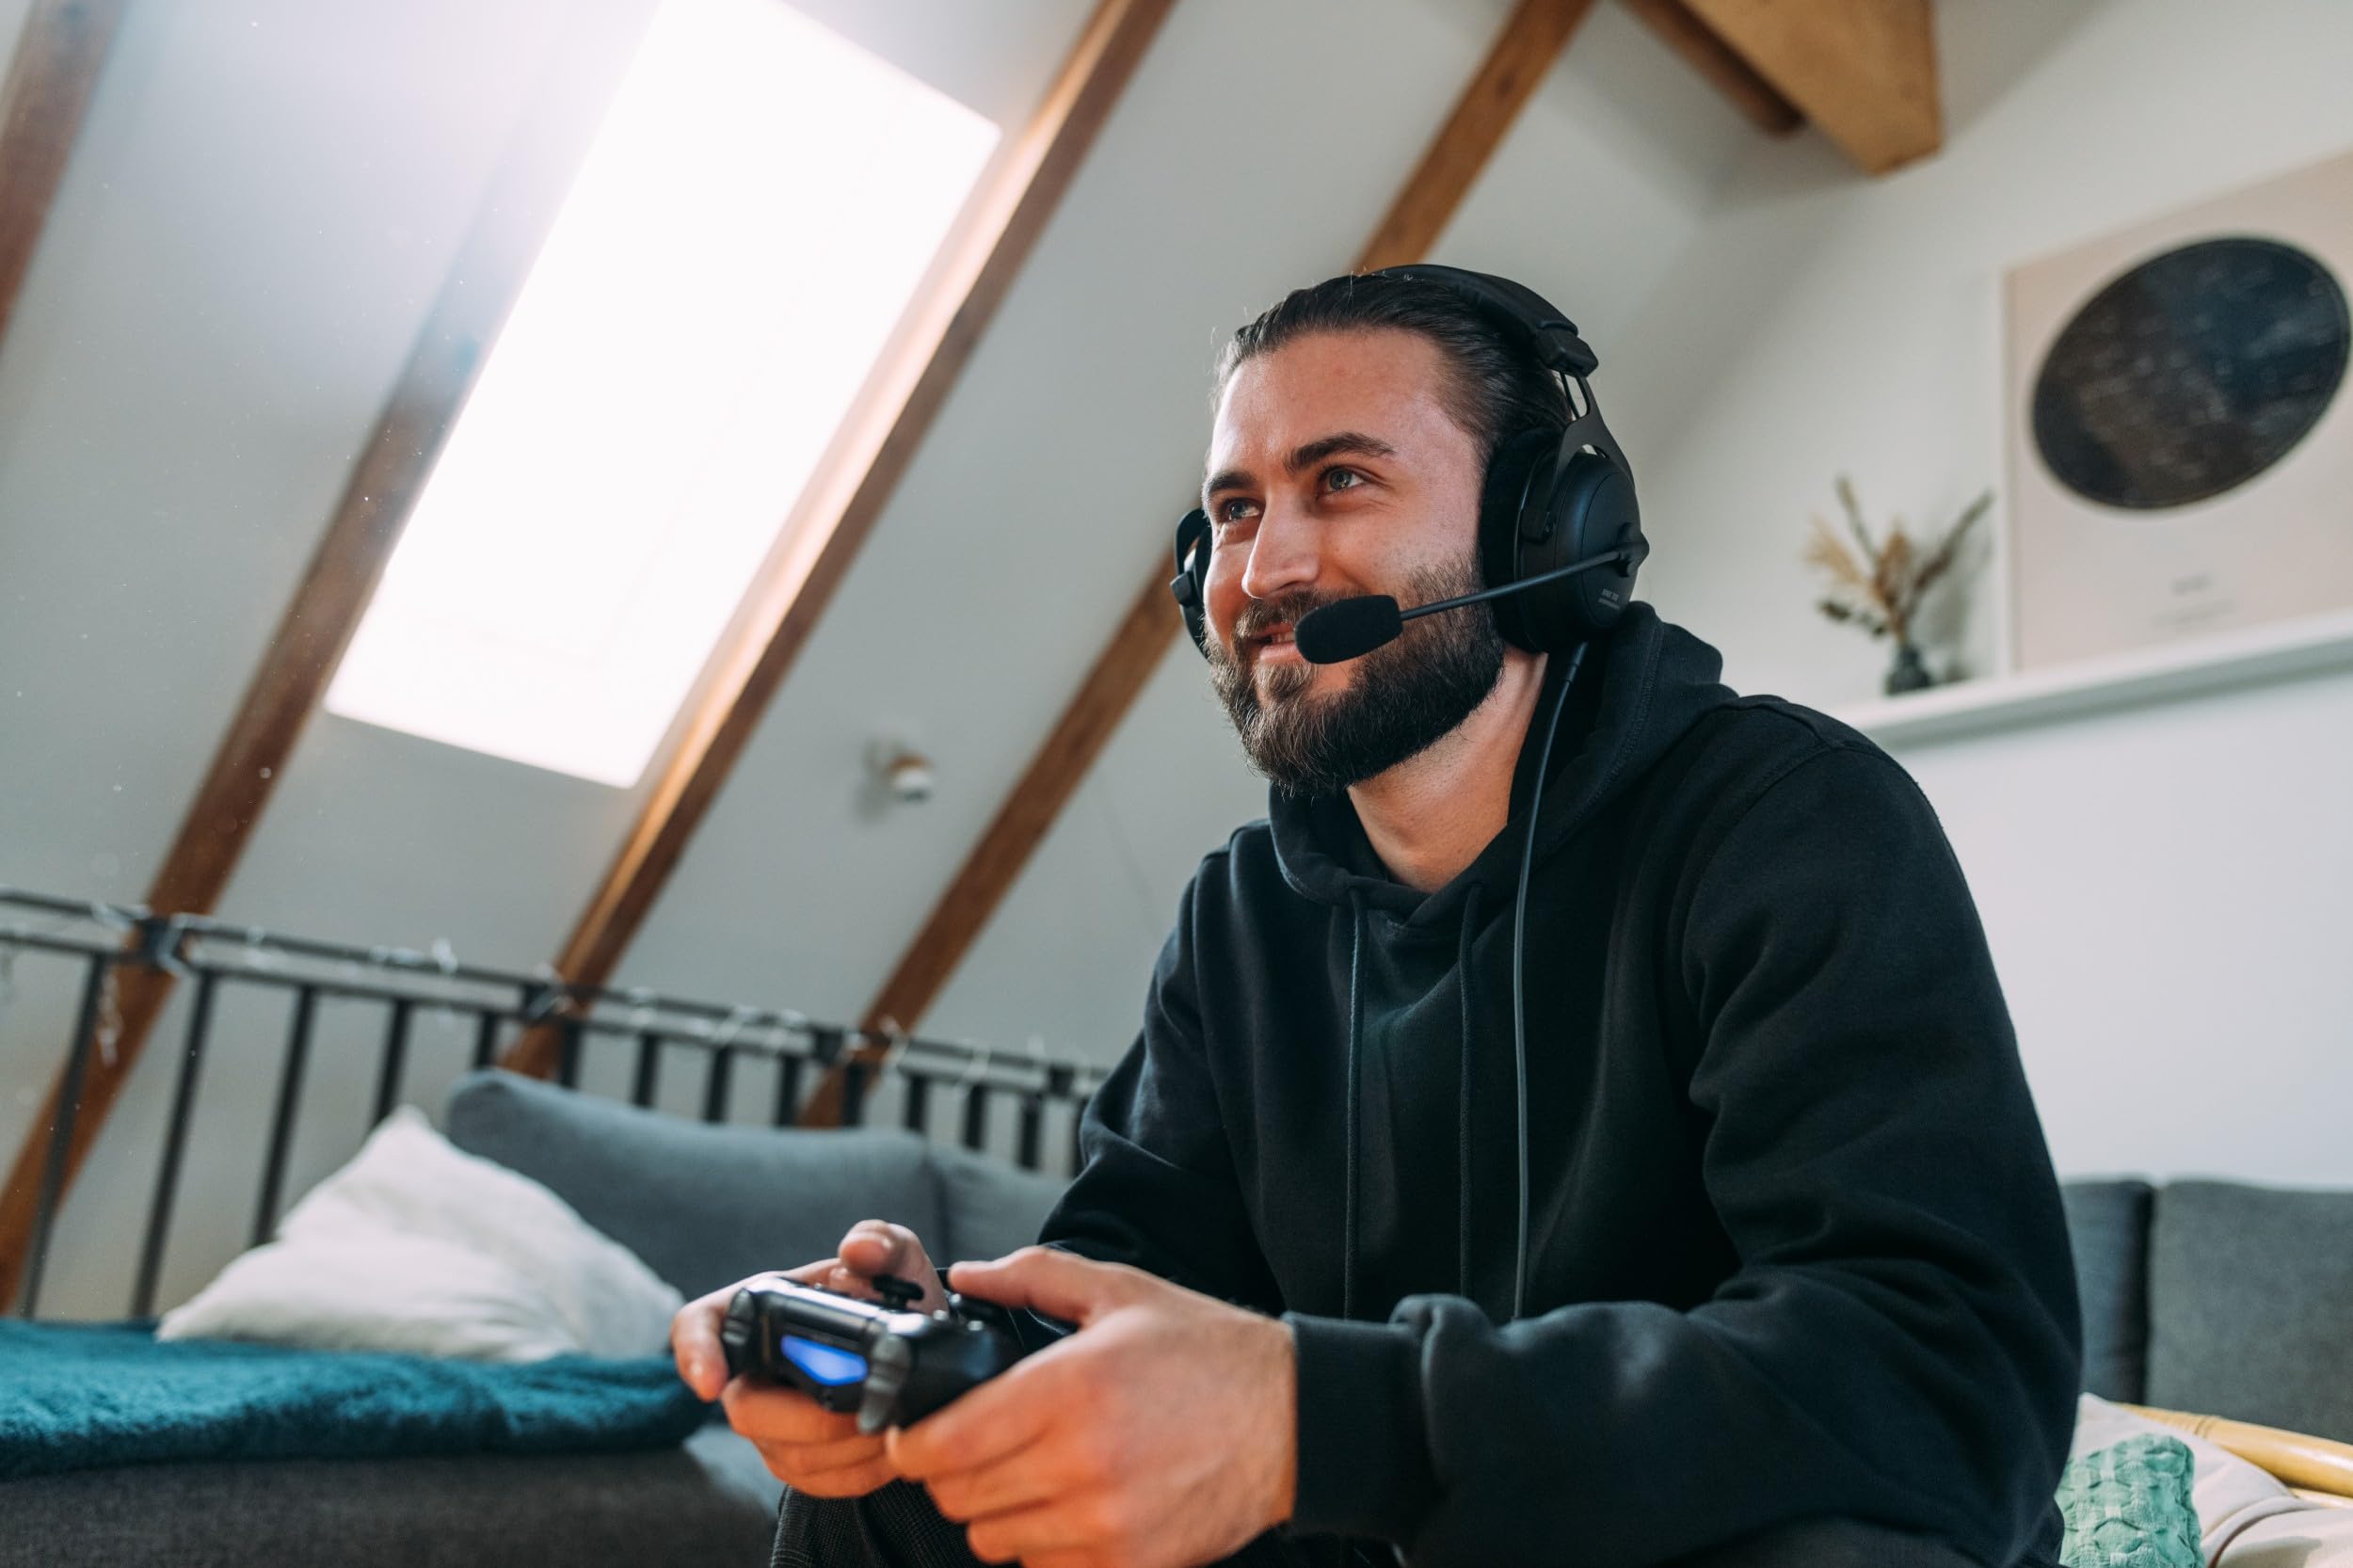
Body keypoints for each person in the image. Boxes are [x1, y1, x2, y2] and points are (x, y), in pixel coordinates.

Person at [672, 267, 2082, 1568]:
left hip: (1675, 1531)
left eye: (1338, 481)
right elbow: (1131, 1288)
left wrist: (1321, 1416)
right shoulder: (1241, 916)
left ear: (1550, 522)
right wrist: (951, 1341)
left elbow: (1940, 1373)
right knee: (889, 1497)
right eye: (1232, 512)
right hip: (1350, 1530)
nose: (1264, 571)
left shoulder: (1788, 821)